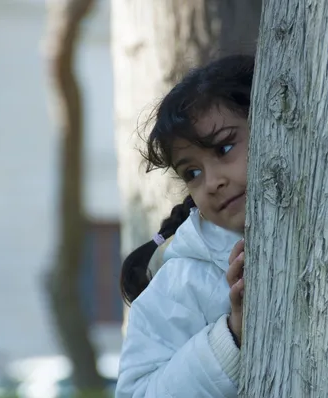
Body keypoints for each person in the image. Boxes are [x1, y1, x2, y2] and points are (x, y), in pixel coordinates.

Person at [116, 54, 254, 397]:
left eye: (224, 148)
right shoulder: (181, 281)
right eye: (192, 172)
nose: (211, 183)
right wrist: (231, 337)